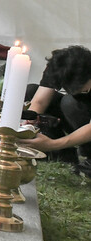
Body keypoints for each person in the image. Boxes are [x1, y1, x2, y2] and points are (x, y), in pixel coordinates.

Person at [20, 45, 91, 174]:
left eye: (85, 90)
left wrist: (53, 144)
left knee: (70, 103)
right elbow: (39, 101)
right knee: (31, 90)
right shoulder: (60, 67)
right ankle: (62, 154)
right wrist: (29, 125)